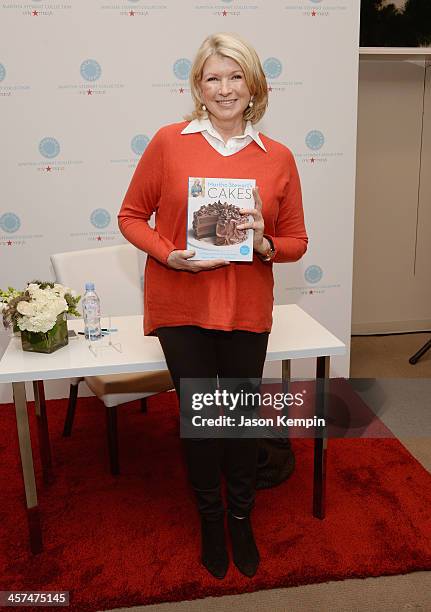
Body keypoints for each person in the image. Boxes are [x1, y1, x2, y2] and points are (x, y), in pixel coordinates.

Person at [118, 32, 308, 580]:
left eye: (234, 76)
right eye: (211, 78)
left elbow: (296, 242)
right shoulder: (168, 141)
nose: (224, 89)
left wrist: (264, 241)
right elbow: (131, 215)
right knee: (203, 419)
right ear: (198, 87)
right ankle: (209, 519)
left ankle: (241, 516)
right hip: (181, 303)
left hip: (245, 306)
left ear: (253, 87)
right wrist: (168, 255)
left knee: (242, 419)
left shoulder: (279, 158)